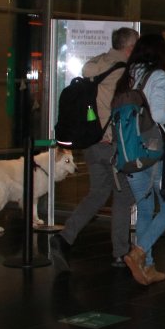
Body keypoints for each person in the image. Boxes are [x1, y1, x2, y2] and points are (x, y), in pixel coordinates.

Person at [49, 27, 138, 272]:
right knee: (123, 196)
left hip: (90, 142)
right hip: (110, 144)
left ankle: (65, 238)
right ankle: (121, 253)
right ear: (130, 48)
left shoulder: (95, 64)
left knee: (98, 193)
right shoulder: (122, 72)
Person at [117, 34, 165, 286]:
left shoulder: (126, 76)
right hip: (151, 153)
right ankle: (139, 252)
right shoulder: (158, 76)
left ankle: (147, 266)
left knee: (143, 208)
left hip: (127, 153)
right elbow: (160, 114)